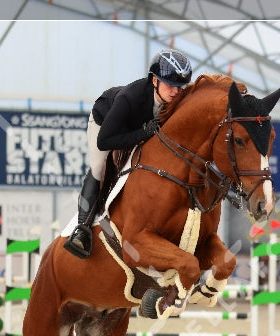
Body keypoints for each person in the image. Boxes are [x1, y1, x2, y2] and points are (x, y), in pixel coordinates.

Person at [64, 49, 193, 258]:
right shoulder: (129, 98)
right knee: (99, 167)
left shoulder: (176, 98)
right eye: (170, 85)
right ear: (154, 81)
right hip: (105, 124)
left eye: (180, 87)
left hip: (138, 128)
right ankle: (82, 229)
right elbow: (105, 140)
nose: (176, 92)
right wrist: (143, 133)